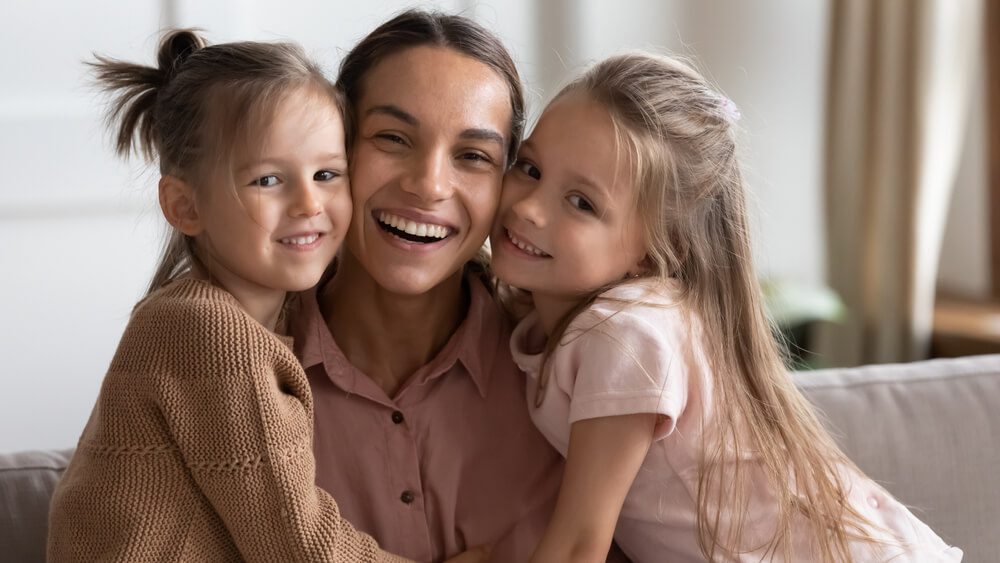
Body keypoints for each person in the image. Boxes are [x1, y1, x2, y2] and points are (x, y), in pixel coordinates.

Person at [490, 52, 964, 562]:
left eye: (582, 202)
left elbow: (580, 544)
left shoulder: (623, 334)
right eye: (530, 167)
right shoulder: (568, 320)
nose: (527, 207)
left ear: (651, 254)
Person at [48, 29, 429, 562]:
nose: (307, 203)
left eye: (326, 174)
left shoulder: (220, 314)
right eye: (267, 180)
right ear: (185, 207)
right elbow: (300, 545)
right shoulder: (209, 330)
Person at [290, 10, 567, 563]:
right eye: (393, 138)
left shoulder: (570, 368)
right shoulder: (227, 375)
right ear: (336, 149)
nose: (428, 185)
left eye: (473, 156)